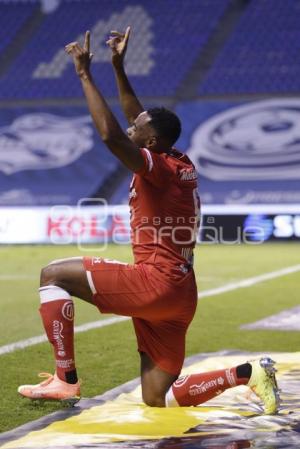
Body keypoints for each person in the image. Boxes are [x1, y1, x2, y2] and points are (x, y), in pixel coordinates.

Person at [18, 28, 279, 414]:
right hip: (180, 293)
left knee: (52, 275)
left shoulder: (156, 167)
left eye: (137, 128)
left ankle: (65, 379)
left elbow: (109, 135)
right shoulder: (177, 160)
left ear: (150, 142)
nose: (130, 126)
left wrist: (85, 75)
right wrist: (119, 67)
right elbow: (135, 120)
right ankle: (246, 372)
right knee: (158, 397)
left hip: (154, 282)